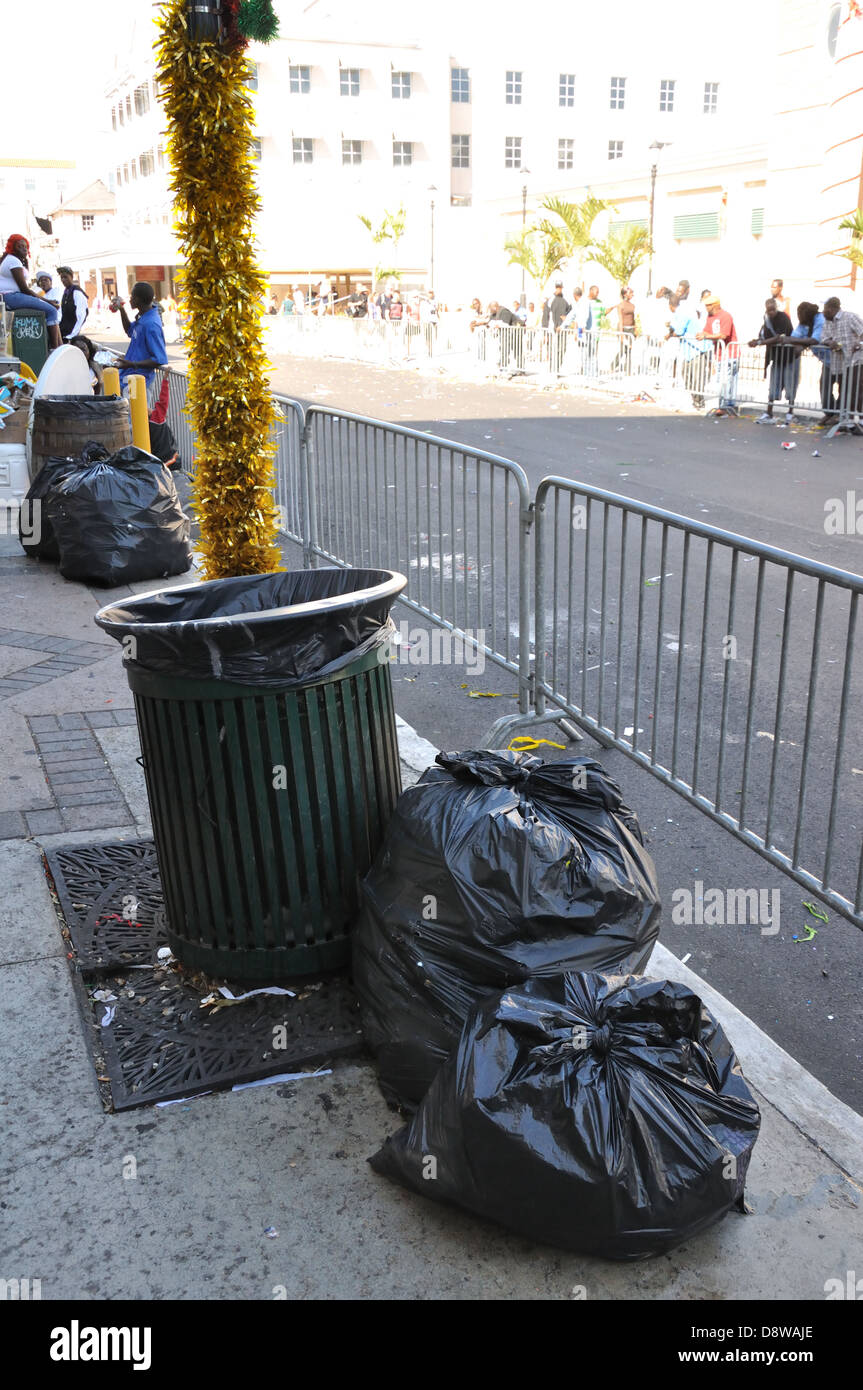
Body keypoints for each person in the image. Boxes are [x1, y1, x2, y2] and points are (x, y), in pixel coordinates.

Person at [111, 281, 168, 406]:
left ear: (137, 300)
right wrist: (121, 310)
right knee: (127, 420)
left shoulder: (151, 324)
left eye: (131, 297)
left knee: (135, 421)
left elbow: (160, 359)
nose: (130, 299)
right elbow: (129, 331)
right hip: (128, 379)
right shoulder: (143, 318)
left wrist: (132, 364)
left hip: (140, 382)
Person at [0, 234, 62, 348]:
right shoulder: (13, 261)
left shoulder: (9, 259)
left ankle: (60, 347)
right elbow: (24, 289)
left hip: (9, 297)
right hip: (12, 297)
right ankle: (55, 348)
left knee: (50, 309)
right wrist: (48, 302)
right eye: (20, 246)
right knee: (52, 311)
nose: (24, 249)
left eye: (25, 247)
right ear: (12, 248)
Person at [819, 296, 863, 427]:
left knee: (857, 390)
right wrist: (830, 342)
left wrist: (859, 344)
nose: (823, 312)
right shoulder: (828, 321)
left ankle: (860, 421)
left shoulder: (850, 317)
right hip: (839, 362)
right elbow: (823, 338)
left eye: (825, 309)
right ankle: (847, 421)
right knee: (844, 391)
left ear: (831, 309)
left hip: (856, 359)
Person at [749, 297, 794, 422]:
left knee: (790, 384)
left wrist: (760, 342)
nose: (771, 313)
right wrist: (758, 340)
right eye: (769, 310)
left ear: (776, 308)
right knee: (773, 383)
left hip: (788, 355)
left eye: (773, 310)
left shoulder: (783, 317)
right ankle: (769, 411)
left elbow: (780, 337)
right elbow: (765, 333)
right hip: (776, 356)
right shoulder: (767, 318)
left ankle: (790, 412)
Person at [785, 301, 829, 422]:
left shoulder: (820, 320)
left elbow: (815, 340)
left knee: (844, 388)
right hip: (826, 361)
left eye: (800, 314)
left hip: (837, 358)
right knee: (824, 387)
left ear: (807, 314)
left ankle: (839, 414)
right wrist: (798, 342)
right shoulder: (804, 323)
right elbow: (795, 336)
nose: (798, 316)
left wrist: (797, 342)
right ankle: (830, 413)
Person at [543, 281, 571, 374]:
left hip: (562, 330)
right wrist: (545, 333)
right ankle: (552, 369)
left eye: (560, 287)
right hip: (551, 330)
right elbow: (545, 317)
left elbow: (570, 313)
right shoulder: (550, 300)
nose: (559, 289)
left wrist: (566, 318)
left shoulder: (565, 301)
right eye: (557, 287)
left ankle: (557, 369)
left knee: (562, 349)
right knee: (551, 350)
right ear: (555, 288)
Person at [488, 299, 524, 370]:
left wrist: (497, 325)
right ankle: (503, 366)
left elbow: (505, 324)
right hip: (507, 334)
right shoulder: (494, 313)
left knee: (517, 352)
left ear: (495, 307)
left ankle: (521, 369)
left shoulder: (504, 312)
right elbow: (489, 321)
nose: (490, 311)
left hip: (515, 333)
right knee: (504, 349)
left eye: (490, 309)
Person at [57, 266, 89, 341]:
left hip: (70, 335)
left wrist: (72, 335)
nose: (63, 280)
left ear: (71, 277)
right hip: (63, 332)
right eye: (61, 278)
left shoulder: (77, 292)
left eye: (65, 277)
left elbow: (81, 316)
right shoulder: (66, 293)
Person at [611, 287, 637, 371]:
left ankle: (628, 369)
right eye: (631, 292)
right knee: (623, 349)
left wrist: (635, 329)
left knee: (629, 350)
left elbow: (633, 318)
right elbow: (621, 320)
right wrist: (621, 334)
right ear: (625, 294)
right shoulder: (620, 305)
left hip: (631, 329)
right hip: (623, 329)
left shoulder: (633, 305)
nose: (632, 294)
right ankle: (613, 365)